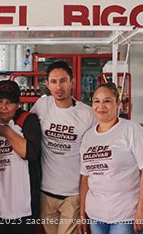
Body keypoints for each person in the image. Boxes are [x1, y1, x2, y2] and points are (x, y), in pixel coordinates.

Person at [77, 83, 143, 234]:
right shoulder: (88, 137)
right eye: (96, 101)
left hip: (126, 215)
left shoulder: (131, 129)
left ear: (118, 104)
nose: (101, 106)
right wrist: (82, 214)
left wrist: (142, 210)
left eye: (107, 101)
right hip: (96, 215)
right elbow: (85, 179)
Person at [30, 61, 97, 234]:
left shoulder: (87, 114)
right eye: (53, 82)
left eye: (63, 81)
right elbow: (23, 125)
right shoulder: (41, 106)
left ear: (72, 82)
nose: (58, 86)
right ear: (48, 85)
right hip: (46, 192)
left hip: (73, 194)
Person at [0, 80, 42, 233]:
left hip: (24, 203)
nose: (3, 107)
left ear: (18, 104)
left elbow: (31, 154)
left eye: (9, 102)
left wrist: (5, 131)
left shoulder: (27, 120)